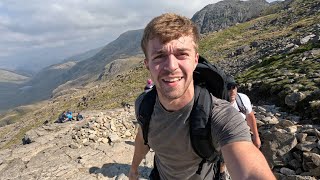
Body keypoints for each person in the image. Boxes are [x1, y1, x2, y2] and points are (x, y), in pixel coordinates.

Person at [129, 13, 275, 180]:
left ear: (195, 60)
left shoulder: (221, 116)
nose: (171, 66)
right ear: (147, 64)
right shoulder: (144, 104)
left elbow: (249, 171)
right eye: (159, 56)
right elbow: (143, 136)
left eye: (182, 54)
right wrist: (134, 169)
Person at [227, 78, 261, 148]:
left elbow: (250, 117)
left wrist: (256, 137)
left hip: (241, 134)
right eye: (228, 88)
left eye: (234, 87)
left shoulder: (243, 99)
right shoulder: (216, 103)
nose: (232, 91)